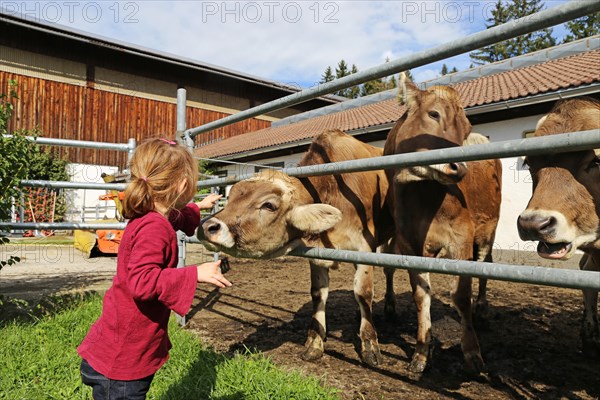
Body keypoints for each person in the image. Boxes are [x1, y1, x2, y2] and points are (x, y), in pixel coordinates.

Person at [77, 138, 231, 400]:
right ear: (183, 184)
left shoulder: (151, 215)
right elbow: (142, 282)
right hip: (123, 364)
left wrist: (198, 208)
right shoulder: (155, 228)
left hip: (120, 344)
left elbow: (178, 217)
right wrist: (195, 273)